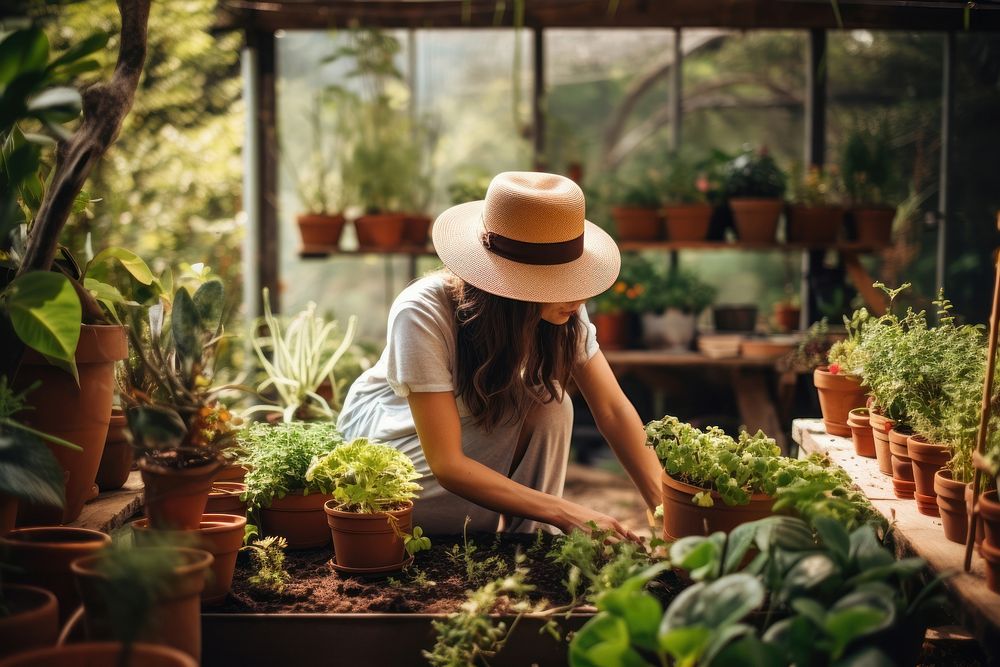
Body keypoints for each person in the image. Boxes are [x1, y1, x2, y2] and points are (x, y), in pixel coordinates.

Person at [339, 171, 662, 541]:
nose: (580, 297)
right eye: (560, 280)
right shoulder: (422, 311)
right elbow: (446, 463)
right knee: (544, 407)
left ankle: (529, 546)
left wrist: (664, 509)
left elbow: (613, 410)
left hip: (462, 441)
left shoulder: (563, 304)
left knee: (550, 406)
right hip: (393, 460)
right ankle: (518, 537)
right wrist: (565, 512)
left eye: (575, 278)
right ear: (513, 286)